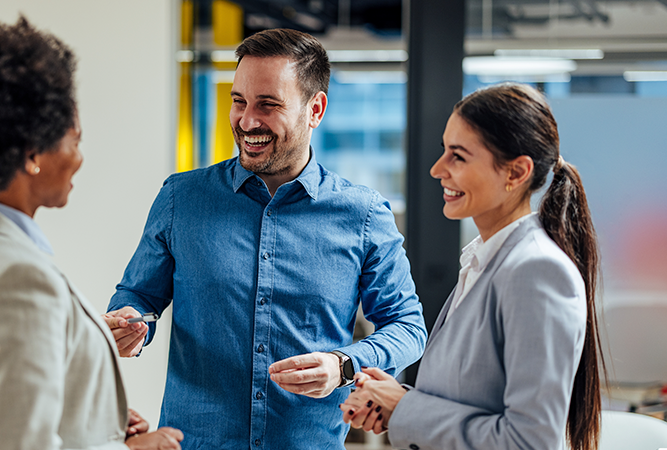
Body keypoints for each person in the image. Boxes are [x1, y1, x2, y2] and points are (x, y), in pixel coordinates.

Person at [105, 28, 426, 449]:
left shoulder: (363, 214)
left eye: (268, 105)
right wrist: (127, 325)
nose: (247, 120)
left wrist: (343, 365)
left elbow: (408, 326)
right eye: (238, 101)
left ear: (316, 109)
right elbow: (137, 296)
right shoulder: (181, 198)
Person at [0, 17, 183, 450]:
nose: (80, 159)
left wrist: (99, 422)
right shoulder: (17, 278)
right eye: (74, 140)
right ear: (31, 154)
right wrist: (131, 449)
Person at [340, 82, 603, 450]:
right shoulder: (484, 260)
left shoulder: (536, 271)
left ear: (515, 173)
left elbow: (529, 441)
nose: (437, 169)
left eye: (458, 157)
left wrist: (406, 408)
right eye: (444, 151)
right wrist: (395, 403)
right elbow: (475, 396)